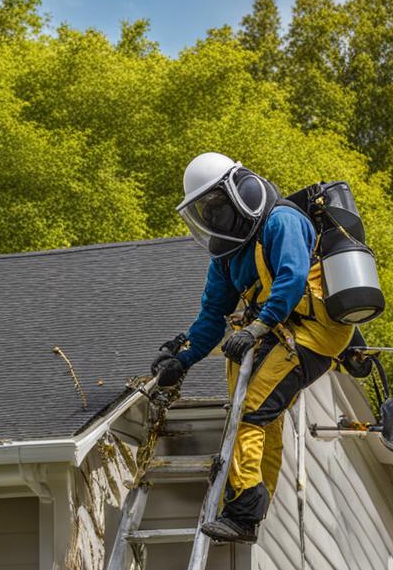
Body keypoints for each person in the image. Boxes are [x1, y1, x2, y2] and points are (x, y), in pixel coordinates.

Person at [151, 152, 370, 544]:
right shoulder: (226, 255)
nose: (214, 215)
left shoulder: (281, 221)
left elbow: (291, 277)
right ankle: (255, 503)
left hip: (315, 332)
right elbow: (210, 318)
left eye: (218, 204)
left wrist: (257, 328)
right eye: (207, 209)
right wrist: (181, 359)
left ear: (239, 191)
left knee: (251, 411)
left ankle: (243, 511)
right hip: (279, 331)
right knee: (266, 418)